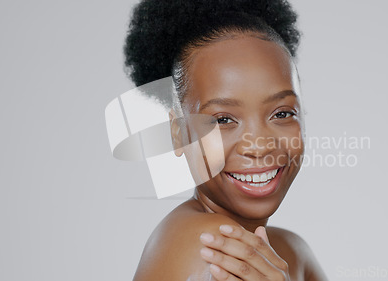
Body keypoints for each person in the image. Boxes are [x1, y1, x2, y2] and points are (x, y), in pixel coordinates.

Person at [124, 0, 328, 280]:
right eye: (223, 120)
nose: (259, 145)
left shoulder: (292, 250)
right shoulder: (211, 249)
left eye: (281, 113)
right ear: (178, 133)